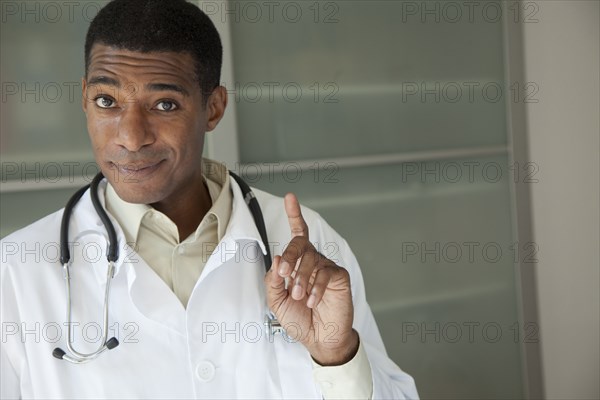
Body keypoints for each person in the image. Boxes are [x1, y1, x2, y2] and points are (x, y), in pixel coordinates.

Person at [0, 0, 418, 398]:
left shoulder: (307, 249)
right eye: (106, 101)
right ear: (84, 98)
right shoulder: (17, 271)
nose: (130, 136)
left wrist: (336, 355)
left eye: (165, 104)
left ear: (214, 108)